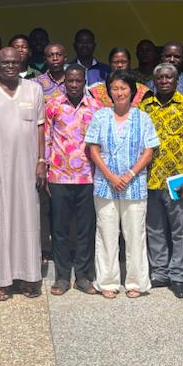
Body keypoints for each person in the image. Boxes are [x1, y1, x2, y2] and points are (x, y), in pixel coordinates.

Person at [0, 47, 46, 301]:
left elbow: (40, 127)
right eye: (5, 62)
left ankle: (28, 276)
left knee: (28, 221)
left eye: (15, 62)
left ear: (22, 62)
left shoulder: (34, 90)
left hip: (28, 168)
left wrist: (41, 160)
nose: (10, 66)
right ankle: (0, 280)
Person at [86, 71, 160, 299]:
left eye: (123, 88)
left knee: (135, 234)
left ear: (132, 91)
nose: (119, 92)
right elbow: (93, 149)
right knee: (106, 233)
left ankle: (136, 282)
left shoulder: (142, 117)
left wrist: (128, 175)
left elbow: (149, 151)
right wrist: (110, 176)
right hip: (105, 185)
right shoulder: (100, 116)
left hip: (134, 185)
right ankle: (107, 281)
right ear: (109, 92)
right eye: (115, 88)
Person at [140, 63, 183, 299]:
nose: (165, 81)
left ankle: (178, 276)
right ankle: (160, 272)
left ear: (177, 81)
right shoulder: (145, 106)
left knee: (181, 230)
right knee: (154, 229)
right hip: (149, 178)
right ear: (154, 81)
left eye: (169, 77)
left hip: (179, 180)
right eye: (160, 77)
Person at [43, 65, 102, 296]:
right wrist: (45, 169)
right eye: (71, 81)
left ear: (85, 81)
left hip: (88, 177)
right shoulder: (53, 106)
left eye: (79, 81)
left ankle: (84, 277)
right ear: (65, 82)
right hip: (59, 176)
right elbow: (47, 138)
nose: (75, 85)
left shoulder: (96, 107)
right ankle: (62, 277)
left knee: (86, 229)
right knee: (60, 229)